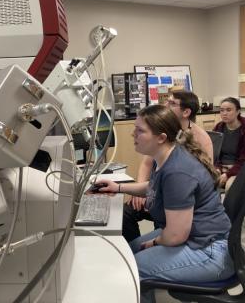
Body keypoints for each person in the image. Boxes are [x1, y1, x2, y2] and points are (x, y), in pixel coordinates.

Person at [95, 105, 233, 303]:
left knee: (130, 268)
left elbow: (176, 235)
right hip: (198, 237)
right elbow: (153, 186)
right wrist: (118, 188)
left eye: (140, 131)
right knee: (130, 249)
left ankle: (142, 287)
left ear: (161, 137)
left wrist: (153, 244)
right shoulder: (167, 156)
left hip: (211, 252)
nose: (133, 134)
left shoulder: (177, 171)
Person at [123, 88, 213, 243]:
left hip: (179, 199)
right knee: (125, 214)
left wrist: (153, 244)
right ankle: (137, 247)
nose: (165, 105)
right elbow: (147, 163)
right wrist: (138, 190)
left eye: (172, 103)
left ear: (186, 112)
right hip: (159, 189)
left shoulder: (200, 139)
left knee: (163, 218)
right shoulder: (165, 132)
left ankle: (151, 250)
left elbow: (197, 182)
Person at [214, 97, 245, 190]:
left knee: (230, 187)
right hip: (221, 168)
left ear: (238, 111)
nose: (224, 113)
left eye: (228, 110)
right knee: (200, 180)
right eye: (222, 110)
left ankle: (228, 205)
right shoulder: (219, 127)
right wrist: (217, 168)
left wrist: (228, 174)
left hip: (240, 170)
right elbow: (214, 152)